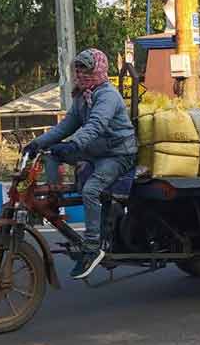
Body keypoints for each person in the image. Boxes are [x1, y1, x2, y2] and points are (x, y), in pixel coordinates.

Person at [24, 49, 137, 279]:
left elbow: (95, 126)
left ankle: (92, 247)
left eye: (85, 69)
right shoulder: (82, 96)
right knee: (51, 154)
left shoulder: (107, 96)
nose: (80, 73)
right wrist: (36, 143)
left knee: (91, 190)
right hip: (96, 150)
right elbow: (65, 126)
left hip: (118, 154)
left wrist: (73, 145)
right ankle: (53, 198)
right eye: (78, 69)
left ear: (98, 68)